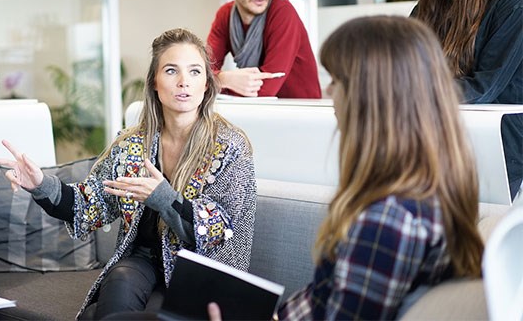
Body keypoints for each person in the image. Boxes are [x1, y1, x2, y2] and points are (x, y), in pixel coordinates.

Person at [207, 16, 483, 320]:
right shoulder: (426, 191)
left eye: (336, 80)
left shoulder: (388, 221)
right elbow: (325, 298)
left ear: (368, 98)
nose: (328, 90)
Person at [0, 28, 256, 319]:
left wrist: (163, 198)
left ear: (207, 84)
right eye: (171, 70)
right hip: (142, 261)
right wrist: (41, 185)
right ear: (154, 83)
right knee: (118, 284)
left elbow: (218, 230)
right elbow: (90, 203)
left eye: (195, 72)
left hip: (200, 271)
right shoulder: (132, 144)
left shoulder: (230, 146)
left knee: (104, 316)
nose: (184, 82)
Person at [411, 0, 523, 199]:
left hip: (501, 145)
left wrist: (414, 92)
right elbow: (403, 69)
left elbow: (485, 87)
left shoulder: (512, 2)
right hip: (442, 136)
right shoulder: (426, 9)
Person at [206, 0, 321, 98]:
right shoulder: (225, 15)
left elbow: (266, 89)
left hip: (299, 112)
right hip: (258, 111)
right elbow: (201, 73)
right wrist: (224, 78)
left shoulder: (283, 12)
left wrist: (218, 81)